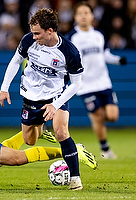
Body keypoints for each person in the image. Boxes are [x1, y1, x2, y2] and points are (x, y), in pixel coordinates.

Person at [0, 8, 97, 191]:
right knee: (29, 141)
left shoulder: (69, 52)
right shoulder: (28, 40)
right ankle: (42, 129)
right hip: (31, 95)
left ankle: (75, 179)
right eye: (33, 33)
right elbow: (15, 61)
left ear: (50, 31)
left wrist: (55, 105)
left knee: (61, 132)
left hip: (56, 96)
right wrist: (4, 88)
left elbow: (75, 84)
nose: (34, 37)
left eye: (37, 33)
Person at [65, 1, 127, 159]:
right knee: (98, 116)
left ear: (92, 16)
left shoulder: (99, 34)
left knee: (112, 116)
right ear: (75, 17)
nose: (84, 16)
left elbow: (105, 54)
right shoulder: (71, 37)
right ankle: (105, 150)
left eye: (86, 13)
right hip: (85, 86)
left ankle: (96, 117)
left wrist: (118, 60)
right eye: (80, 13)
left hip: (103, 82)